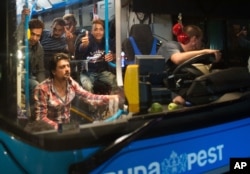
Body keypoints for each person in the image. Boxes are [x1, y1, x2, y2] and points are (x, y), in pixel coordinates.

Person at [33, 52, 121, 130]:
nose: (67, 69)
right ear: (53, 71)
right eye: (62, 67)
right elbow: (41, 119)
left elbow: (88, 97)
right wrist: (60, 129)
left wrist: (111, 98)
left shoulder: (71, 83)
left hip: (66, 129)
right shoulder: (42, 89)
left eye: (68, 66)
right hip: (50, 133)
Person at [157, 24, 222, 105]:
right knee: (181, 101)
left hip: (178, 86)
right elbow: (177, 59)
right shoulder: (170, 45)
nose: (201, 44)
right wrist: (204, 51)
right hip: (162, 88)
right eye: (200, 40)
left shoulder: (187, 55)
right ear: (194, 39)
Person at [77, 19, 117, 94]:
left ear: (104, 31)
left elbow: (117, 53)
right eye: (95, 29)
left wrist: (113, 56)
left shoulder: (107, 41)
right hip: (87, 73)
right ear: (91, 32)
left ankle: (111, 103)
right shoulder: (88, 40)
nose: (98, 32)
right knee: (87, 87)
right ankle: (92, 105)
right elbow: (81, 48)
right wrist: (83, 45)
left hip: (102, 72)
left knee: (116, 82)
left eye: (101, 29)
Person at [16, 7, 46, 104]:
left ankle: (34, 111)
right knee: (35, 85)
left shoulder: (40, 49)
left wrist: (43, 87)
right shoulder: (21, 43)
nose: (34, 38)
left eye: (38, 35)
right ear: (28, 32)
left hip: (28, 76)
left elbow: (40, 70)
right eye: (32, 34)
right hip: (15, 75)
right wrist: (23, 21)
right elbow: (17, 38)